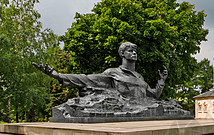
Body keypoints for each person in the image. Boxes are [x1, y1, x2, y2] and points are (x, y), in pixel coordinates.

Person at [33, 42, 168, 100]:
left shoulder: (139, 77)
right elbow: (86, 79)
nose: (134, 53)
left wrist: (161, 81)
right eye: (130, 51)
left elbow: (153, 96)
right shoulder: (113, 73)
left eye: (135, 51)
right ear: (122, 54)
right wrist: (58, 76)